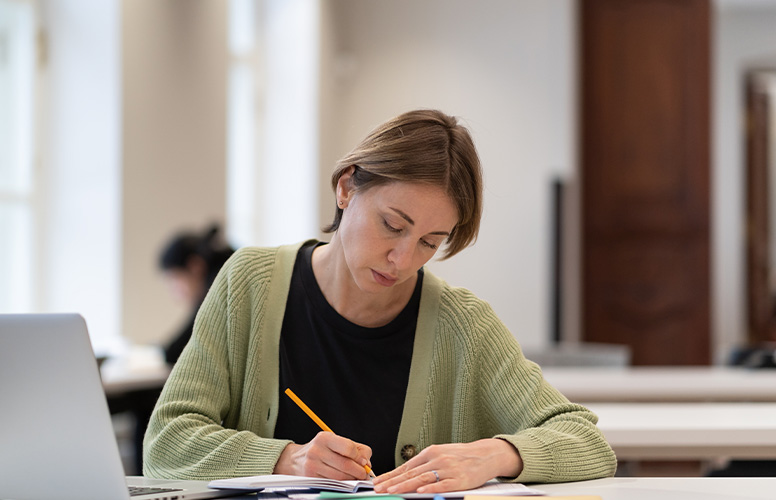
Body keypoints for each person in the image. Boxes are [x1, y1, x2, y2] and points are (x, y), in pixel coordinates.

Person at [143, 109, 617, 492]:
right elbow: (166, 442)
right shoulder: (250, 283)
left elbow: (587, 442)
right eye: (392, 225)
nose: (402, 258)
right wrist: (288, 457)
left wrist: (494, 454)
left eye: (431, 242)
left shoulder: (462, 325)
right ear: (347, 187)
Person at [158, 224, 235, 364]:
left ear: (195, 267)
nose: (174, 291)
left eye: (175, 280)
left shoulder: (217, 286)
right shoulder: (224, 274)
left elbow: (175, 352)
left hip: (285, 386)